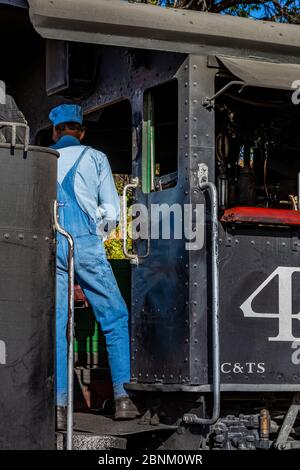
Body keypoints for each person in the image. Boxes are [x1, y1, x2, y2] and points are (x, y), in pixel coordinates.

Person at [49, 104, 138, 429]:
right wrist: (94, 239)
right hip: (85, 243)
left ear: (56, 131)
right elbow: (112, 214)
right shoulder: (95, 158)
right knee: (114, 317)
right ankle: (124, 400)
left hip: (51, 243)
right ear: (82, 131)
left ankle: (59, 407)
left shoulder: (45, 158)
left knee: (58, 326)